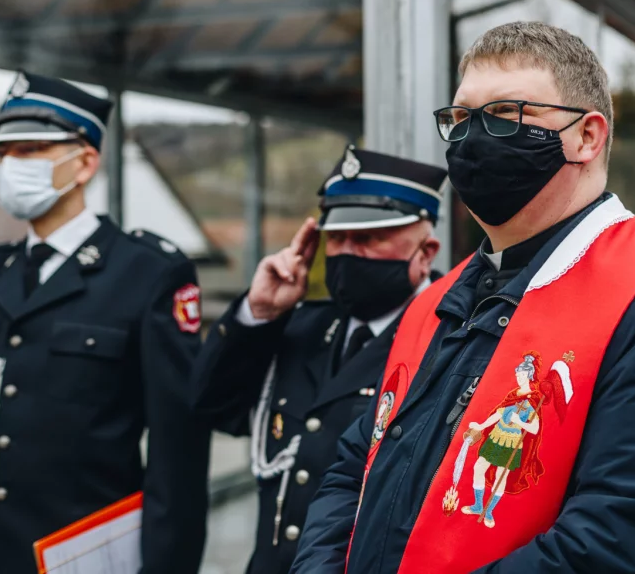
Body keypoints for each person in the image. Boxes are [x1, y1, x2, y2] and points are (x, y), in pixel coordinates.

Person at [292, 22, 635, 574]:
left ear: (587, 136)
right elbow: (354, 466)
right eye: (460, 119)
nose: (473, 138)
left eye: (506, 113)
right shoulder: (435, 301)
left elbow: (625, 545)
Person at [0, 71, 211, 574]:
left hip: (82, 558)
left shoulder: (147, 272)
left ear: (85, 161)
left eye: (31, 150)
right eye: (4, 153)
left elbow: (177, 455)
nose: (12, 166)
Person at [190, 145, 447, 574]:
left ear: (425, 252)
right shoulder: (300, 327)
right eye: (338, 238)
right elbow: (213, 409)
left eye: (368, 239)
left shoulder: (447, 341)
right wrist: (259, 313)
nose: (347, 252)